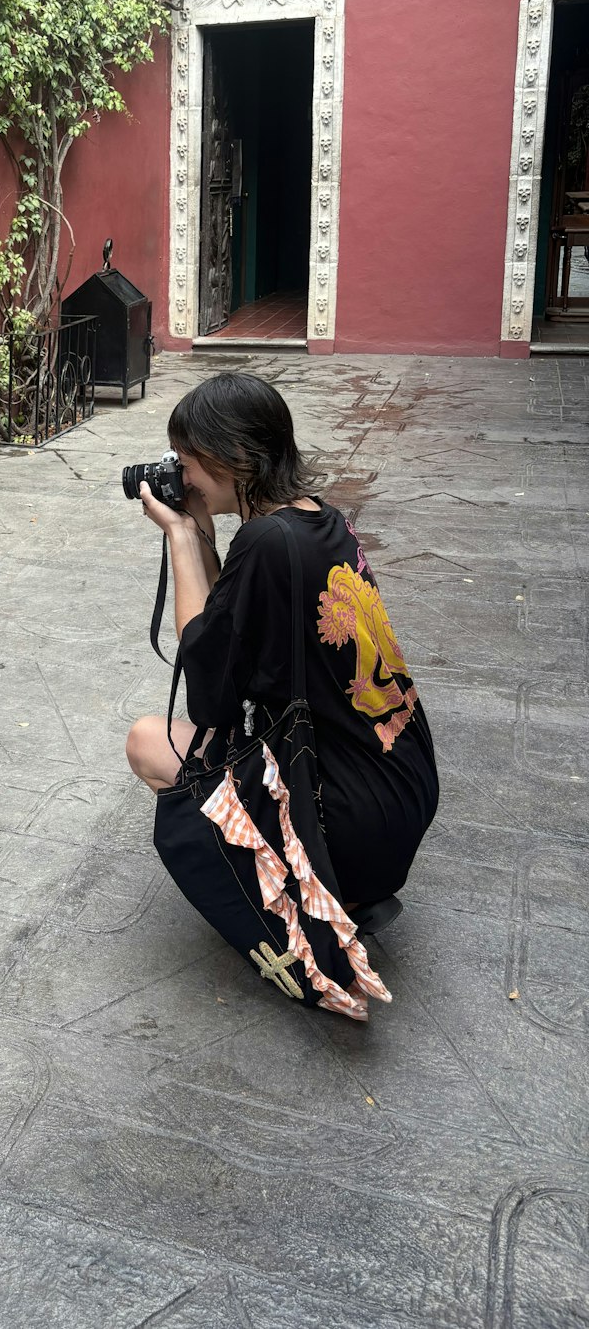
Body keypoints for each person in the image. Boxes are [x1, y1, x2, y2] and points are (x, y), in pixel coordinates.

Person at [126, 371, 438, 942]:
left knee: (148, 742)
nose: (183, 479)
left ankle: (305, 898)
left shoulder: (265, 542)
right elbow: (227, 629)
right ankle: (335, 882)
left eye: (187, 463)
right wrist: (201, 531)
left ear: (234, 457)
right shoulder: (318, 519)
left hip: (344, 823)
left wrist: (180, 537)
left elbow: (209, 690)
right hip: (399, 793)